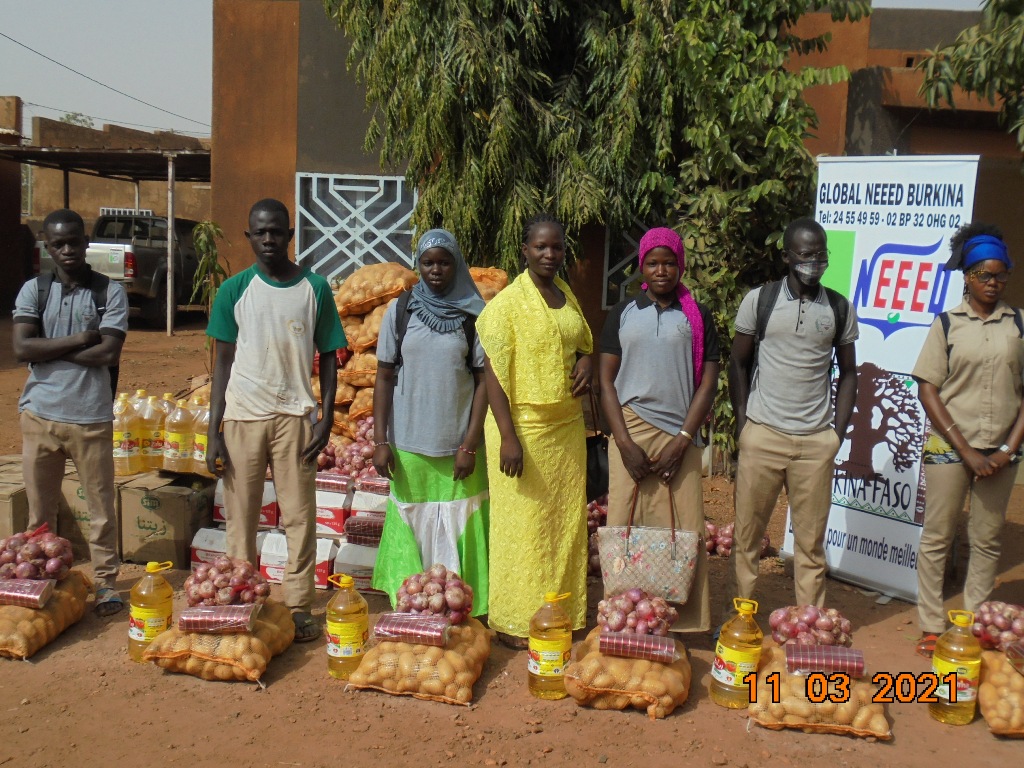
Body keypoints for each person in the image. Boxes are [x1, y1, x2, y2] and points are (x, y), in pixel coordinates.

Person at [206, 198, 346, 642]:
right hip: (243, 417)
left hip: (295, 419)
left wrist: (324, 418)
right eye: (260, 232)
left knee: (299, 517)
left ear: (290, 235)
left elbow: (329, 356)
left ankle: (300, 604)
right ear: (249, 237)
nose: (268, 239)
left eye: (276, 232)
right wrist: (214, 430)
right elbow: (222, 365)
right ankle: (242, 598)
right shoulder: (234, 291)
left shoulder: (315, 288)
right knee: (241, 519)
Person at [727, 217, 858, 613]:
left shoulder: (837, 306)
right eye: (805, 254)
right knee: (747, 538)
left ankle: (809, 624)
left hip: (815, 442)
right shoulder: (760, 300)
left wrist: (836, 433)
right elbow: (737, 362)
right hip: (763, 435)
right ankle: (739, 618)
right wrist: (743, 422)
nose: (814, 262)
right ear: (786, 256)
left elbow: (850, 372)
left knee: (810, 544)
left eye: (821, 254)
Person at [476, 213, 593, 648]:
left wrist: (585, 360)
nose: (550, 254)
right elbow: (492, 373)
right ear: (524, 250)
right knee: (522, 527)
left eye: (557, 247)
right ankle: (517, 619)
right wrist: (508, 437)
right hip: (521, 430)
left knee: (563, 525)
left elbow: (582, 341)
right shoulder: (507, 304)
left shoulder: (566, 295)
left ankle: (561, 610)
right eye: (541, 247)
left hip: (565, 430)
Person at [598, 227, 720, 632]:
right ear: (641, 267)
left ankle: (683, 622)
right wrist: (624, 443)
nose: (662, 270)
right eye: (653, 262)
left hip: (680, 434)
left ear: (680, 265)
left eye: (670, 262)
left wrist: (683, 440)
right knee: (624, 523)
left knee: (683, 528)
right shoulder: (623, 313)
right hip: (628, 428)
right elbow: (606, 381)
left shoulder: (697, 315)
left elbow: (708, 382)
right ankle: (621, 618)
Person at [911, 224, 1024, 657]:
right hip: (949, 448)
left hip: (1003, 451)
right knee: (938, 536)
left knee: (987, 537)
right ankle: (931, 624)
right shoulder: (947, 324)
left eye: (1000, 275)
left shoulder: (1018, 324)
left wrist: (1004, 450)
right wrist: (967, 451)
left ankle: (976, 618)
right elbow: (928, 389)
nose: (993, 283)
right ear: (967, 276)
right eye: (984, 275)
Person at [12, 208, 129, 616]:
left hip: (90, 417)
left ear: (85, 243)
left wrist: (52, 348)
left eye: (74, 242)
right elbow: (22, 348)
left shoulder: (108, 292)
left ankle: (107, 583)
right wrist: (80, 339)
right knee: (39, 513)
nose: (67, 250)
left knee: (99, 509)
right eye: (58, 243)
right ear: (47, 245)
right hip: (39, 416)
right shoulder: (34, 290)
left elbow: (110, 352)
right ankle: (41, 580)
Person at [371, 229, 490, 612]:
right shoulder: (400, 310)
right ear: (417, 265)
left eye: (444, 262)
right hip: (408, 446)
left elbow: (484, 381)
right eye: (428, 262)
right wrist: (380, 441)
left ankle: (462, 604)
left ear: (456, 265)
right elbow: (384, 376)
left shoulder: (474, 316)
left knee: (459, 520)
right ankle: (410, 603)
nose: (436, 270)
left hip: (458, 449)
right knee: (413, 519)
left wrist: (469, 445)